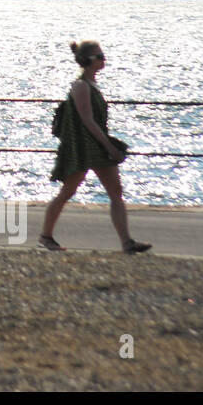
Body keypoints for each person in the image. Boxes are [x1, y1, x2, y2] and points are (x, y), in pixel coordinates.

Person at [40, 41, 152, 254]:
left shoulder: (92, 84)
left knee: (115, 192)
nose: (104, 59)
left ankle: (127, 242)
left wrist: (107, 145)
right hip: (83, 148)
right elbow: (87, 120)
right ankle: (45, 237)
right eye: (100, 56)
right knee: (68, 191)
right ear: (89, 60)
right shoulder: (81, 86)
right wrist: (109, 146)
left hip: (97, 146)